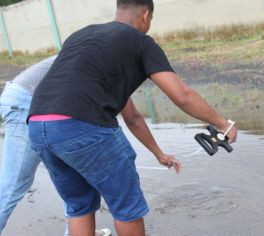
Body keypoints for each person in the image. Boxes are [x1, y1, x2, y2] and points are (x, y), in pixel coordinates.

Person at [27, 0, 238, 235]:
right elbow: (182, 96)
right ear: (146, 15)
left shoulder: (81, 36)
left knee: (79, 206)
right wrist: (223, 124)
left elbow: (132, 116)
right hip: (82, 124)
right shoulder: (141, 42)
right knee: (126, 207)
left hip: (38, 126)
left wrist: (159, 153)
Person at [0, 56, 111, 236]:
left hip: (45, 104)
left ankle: (78, 229)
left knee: (72, 172)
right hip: (27, 101)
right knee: (14, 182)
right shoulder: (98, 58)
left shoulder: (90, 49)